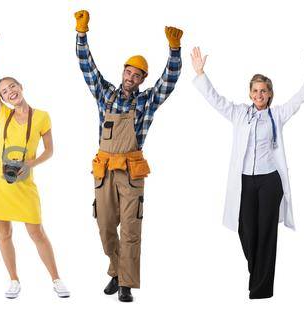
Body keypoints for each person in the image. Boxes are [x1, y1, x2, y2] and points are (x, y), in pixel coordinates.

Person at [189, 44, 304, 299]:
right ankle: (258, 272)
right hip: (245, 182)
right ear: (250, 93)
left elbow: (299, 99)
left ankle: (261, 289)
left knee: (267, 232)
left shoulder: (277, 114)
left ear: (270, 93)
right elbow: (215, 100)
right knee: (246, 229)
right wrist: (200, 73)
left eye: (263, 90)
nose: (259, 94)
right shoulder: (240, 114)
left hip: (270, 181)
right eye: (255, 90)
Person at [73, 10, 183, 303]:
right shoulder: (104, 94)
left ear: (142, 79)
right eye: (128, 72)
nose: (131, 78)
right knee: (106, 226)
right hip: (104, 170)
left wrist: (175, 51)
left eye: (137, 75)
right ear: (122, 71)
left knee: (131, 230)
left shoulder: (147, 101)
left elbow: (169, 81)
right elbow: (87, 67)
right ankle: (116, 270)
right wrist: (81, 34)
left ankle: (126, 284)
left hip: (132, 174)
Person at [0, 31, 68, 301]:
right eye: (4, 92)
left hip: (24, 181)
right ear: (3, 98)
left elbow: (50, 151)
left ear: (21, 87)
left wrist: (31, 164)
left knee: (36, 231)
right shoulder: (3, 114)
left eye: (12, 87)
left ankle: (56, 278)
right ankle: (14, 279)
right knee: (4, 233)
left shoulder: (42, 117)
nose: (9, 92)